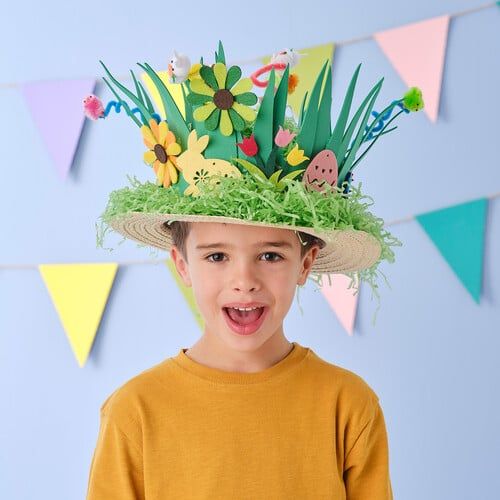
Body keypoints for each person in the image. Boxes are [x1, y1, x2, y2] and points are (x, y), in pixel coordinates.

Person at [85, 40, 423, 499]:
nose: (244, 280)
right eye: (217, 256)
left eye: (270, 255)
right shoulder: (134, 412)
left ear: (306, 262)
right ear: (182, 264)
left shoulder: (348, 405)